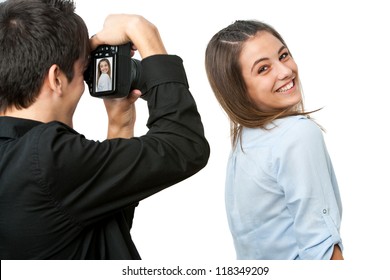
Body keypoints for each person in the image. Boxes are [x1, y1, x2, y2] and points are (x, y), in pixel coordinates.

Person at [0, 0, 210, 259]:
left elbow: (91, 232)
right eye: (82, 70)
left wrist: (119, 125)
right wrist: (143, 32)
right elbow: (185, 146)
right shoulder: (47, 156)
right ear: (56, 79)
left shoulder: (19, 156)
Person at [205, 20, 343, 260]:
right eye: (263, 69)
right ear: (238, 89)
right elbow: (321, 248)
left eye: (283, 55)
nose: (285, 71)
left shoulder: (244, 143)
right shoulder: (297, 134)